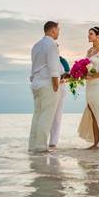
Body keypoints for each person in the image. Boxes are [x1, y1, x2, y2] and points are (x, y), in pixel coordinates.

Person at [29, 21, 62, 152]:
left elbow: (34, 65)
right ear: (53, 30)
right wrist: (56, 85)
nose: (59, 32)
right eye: (58, 30)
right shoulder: (52, 44)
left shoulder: (36, 45)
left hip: (36, 84)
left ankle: (32, 146)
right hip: (47, 83)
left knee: (37, 115)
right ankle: (41, 147)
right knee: (46, 116)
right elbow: (53, 66)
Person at [49, 56, 70, 149]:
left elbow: (69, 75)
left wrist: (63, 79)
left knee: (57, 116)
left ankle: (53, 141)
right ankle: (44, 138)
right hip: (49, 89)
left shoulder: (63, 60)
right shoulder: (48, 59)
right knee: (49, 115)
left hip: (61, 89)